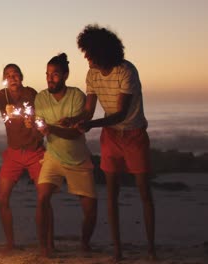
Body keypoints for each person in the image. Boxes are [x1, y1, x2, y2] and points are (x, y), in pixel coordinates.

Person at [68, 24, 155, 261]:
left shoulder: (126, 72)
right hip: (111, 136)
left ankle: (151, 249)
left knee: (144, 192)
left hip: (134, 134)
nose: (85, 57)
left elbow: (121, 113)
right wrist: (73, 120)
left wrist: (92, 125)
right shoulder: (92, 75)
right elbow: (88, 110)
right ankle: (118, 251)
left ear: (102, 52)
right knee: (111, 194)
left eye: (89, 52)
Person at [34, 53, 97, 257]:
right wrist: (36, 127)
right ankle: (44, 248)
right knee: (42, 197)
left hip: (77, 158)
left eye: (55, 74)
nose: (49, 78)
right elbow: (40, 126)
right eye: (47, 74)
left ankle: (85, 244)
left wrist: (49, 129)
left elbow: (74, 132)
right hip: (52, 156)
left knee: (90, 210)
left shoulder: (77, 96)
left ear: (65, 75)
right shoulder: (41, 97)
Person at [0, 64, 44, 251]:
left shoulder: (32, 94)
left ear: (21, 77)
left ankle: (46, 244)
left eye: (15, 74)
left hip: (35, 152)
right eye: (8, 75)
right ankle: (10, 244)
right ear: (4, 79)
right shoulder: (2, 95)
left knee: (44, 198)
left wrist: (33, 122)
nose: (12, 78)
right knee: (2, 199)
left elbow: (44, 119)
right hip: (13, 154)